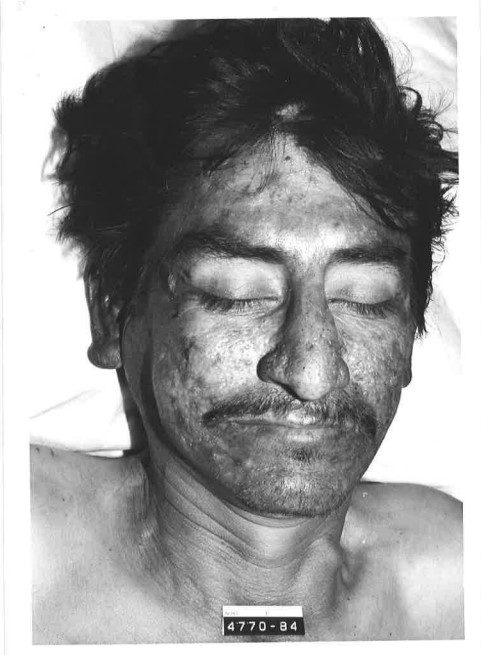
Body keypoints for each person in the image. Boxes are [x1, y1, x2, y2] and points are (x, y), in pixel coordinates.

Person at [31, 18, 463, 643]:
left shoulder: (456, 586)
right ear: (113, 311)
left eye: (364, 299)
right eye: (237, 294)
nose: (311, 371)